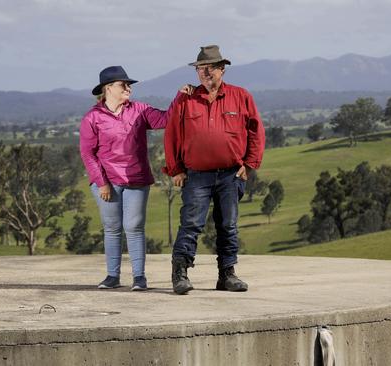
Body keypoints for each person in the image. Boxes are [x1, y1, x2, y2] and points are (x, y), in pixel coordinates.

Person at [163, 45, 266, 295]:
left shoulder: (241, 96)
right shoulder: (186, 99)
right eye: (201, 68)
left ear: (222, 69)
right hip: (196, 175)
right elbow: (172, 134)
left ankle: (227, 275)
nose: (205, 72)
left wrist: (250, 164)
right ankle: (180, 274)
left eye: (210, 68)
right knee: (190, 224)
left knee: (228, 225)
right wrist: (175, 169)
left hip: (231, 174)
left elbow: (256, 131)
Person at [80, 65, 189, 291]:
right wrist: (101, 183)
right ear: (108, 88)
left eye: (129, 85)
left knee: (134, 227)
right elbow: (88, 154)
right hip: (107, 182)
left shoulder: (140, 110)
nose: (128, 88)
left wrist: (179, 96)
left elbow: (165, 119)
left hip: (136, 179)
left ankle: (139, 278)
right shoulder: (92, 117)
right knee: (111, 228)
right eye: (124, 84)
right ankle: (112, 276)